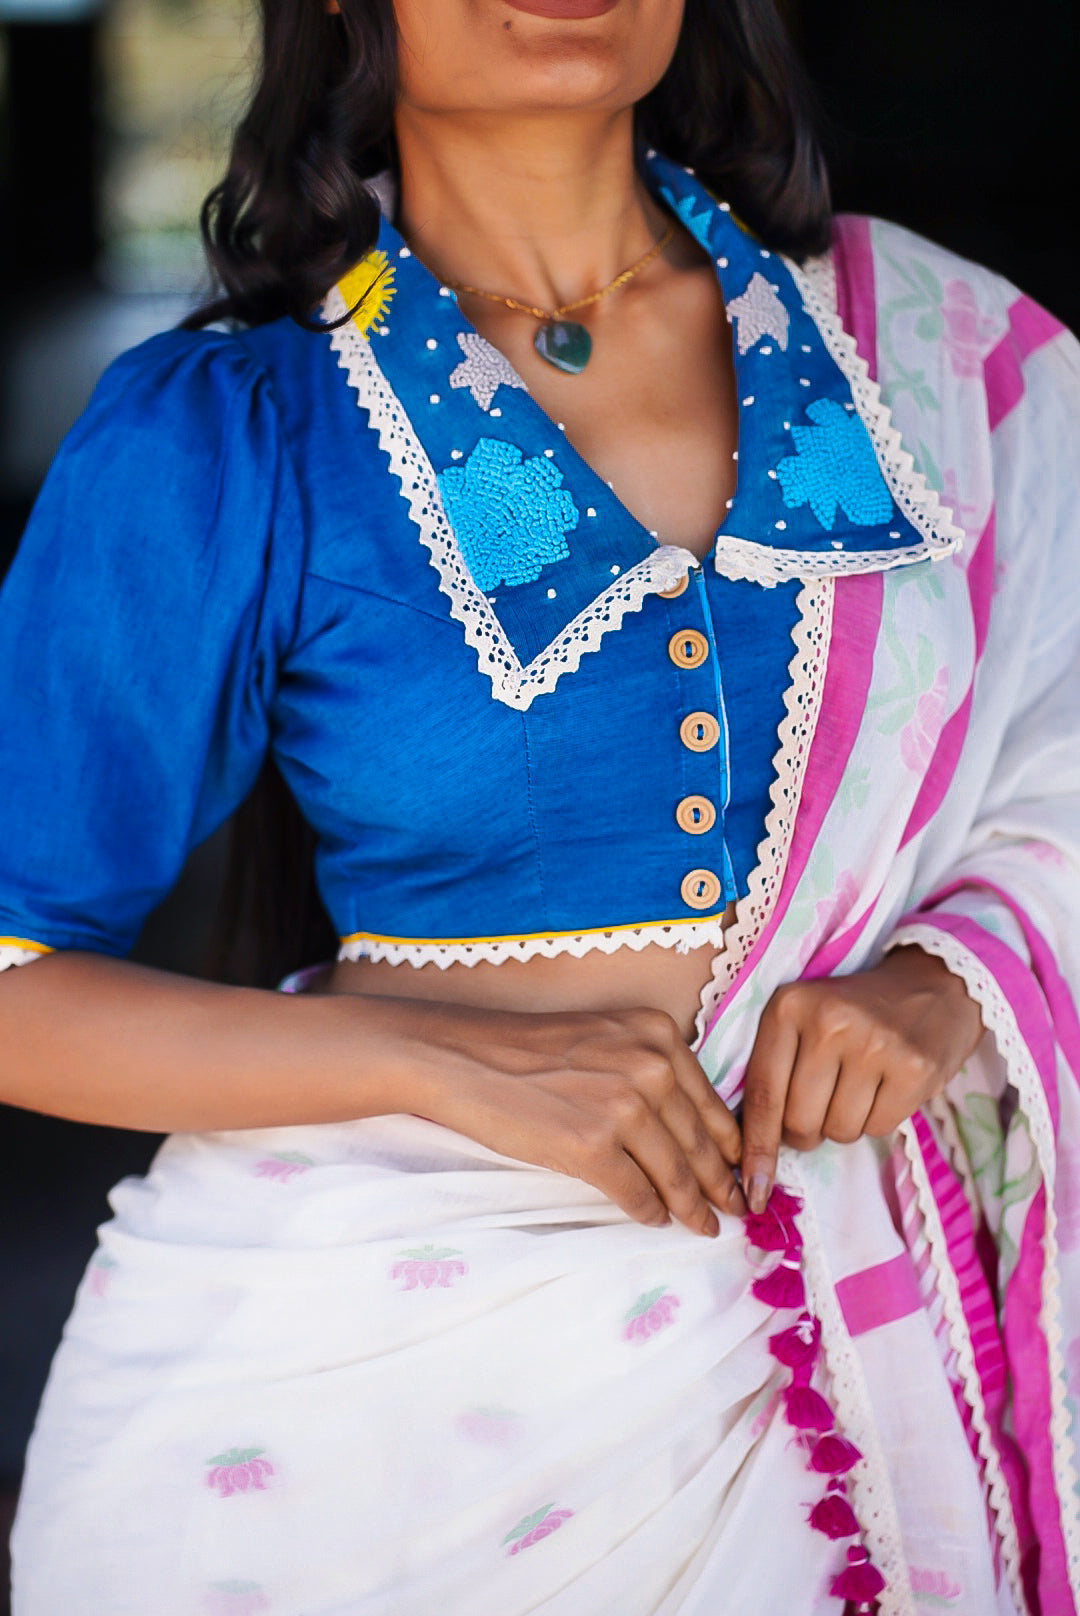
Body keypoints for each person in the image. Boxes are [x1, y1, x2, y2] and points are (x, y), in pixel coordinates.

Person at [2, 0, 1079, 1610]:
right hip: (343, 1424)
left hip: (860, 1349)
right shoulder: (239, 431)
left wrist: (942, 986)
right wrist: (443, 1061)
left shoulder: (935, 359)